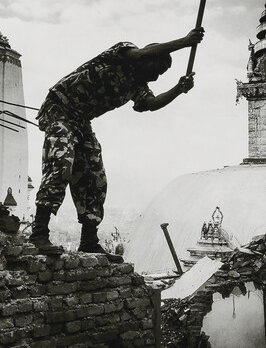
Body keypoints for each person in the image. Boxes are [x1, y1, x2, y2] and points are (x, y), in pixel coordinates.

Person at [29, 26, 205, 260]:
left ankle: (89, 241)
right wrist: (185, 41)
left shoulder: (137, 84)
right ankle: (39, 234)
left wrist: (178, 89)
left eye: (162, 74)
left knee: (95, 176)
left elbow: (150, 104)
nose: (157, 76)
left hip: (81, 120)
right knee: (62, 161)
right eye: (157, 69)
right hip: (60, 107)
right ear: (149, 58)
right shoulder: (123, 53)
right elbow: (140, 54)